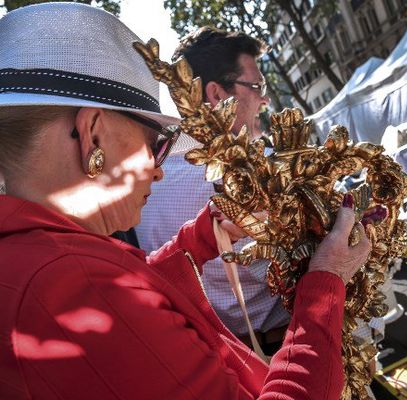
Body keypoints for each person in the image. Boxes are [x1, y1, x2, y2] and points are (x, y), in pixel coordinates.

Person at [0, 4, 371, 399]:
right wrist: (326, 281)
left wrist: (202, 238)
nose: (158, 170)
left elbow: (141, 285)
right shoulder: (77, 285)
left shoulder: (36, 254)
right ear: (92, 135)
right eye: (155, 145)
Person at [136, 27, 288, 353]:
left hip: (217, 362)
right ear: (218, 95)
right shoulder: (259, 169)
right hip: (286, 346)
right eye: (256, 86)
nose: (264, 99)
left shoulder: (147, 176)